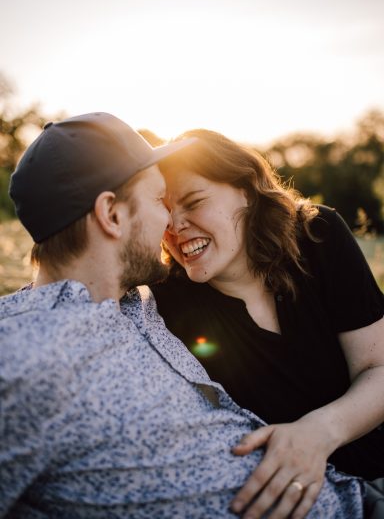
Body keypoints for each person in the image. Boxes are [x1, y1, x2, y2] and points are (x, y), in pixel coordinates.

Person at [0, 113, 365, 519]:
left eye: (189, 203)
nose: (169, 226)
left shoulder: (138, 300)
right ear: (112, 215)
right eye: (160, 201)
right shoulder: (27, 356)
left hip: (350, 489)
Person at [151, 127, 384, 516]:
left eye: (193, 202)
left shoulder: (317, 236)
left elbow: (378, 367)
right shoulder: (164, 300)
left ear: (245, 188)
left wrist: (318, 433)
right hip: (297, 502)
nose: (175, 226)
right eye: (164, 212)